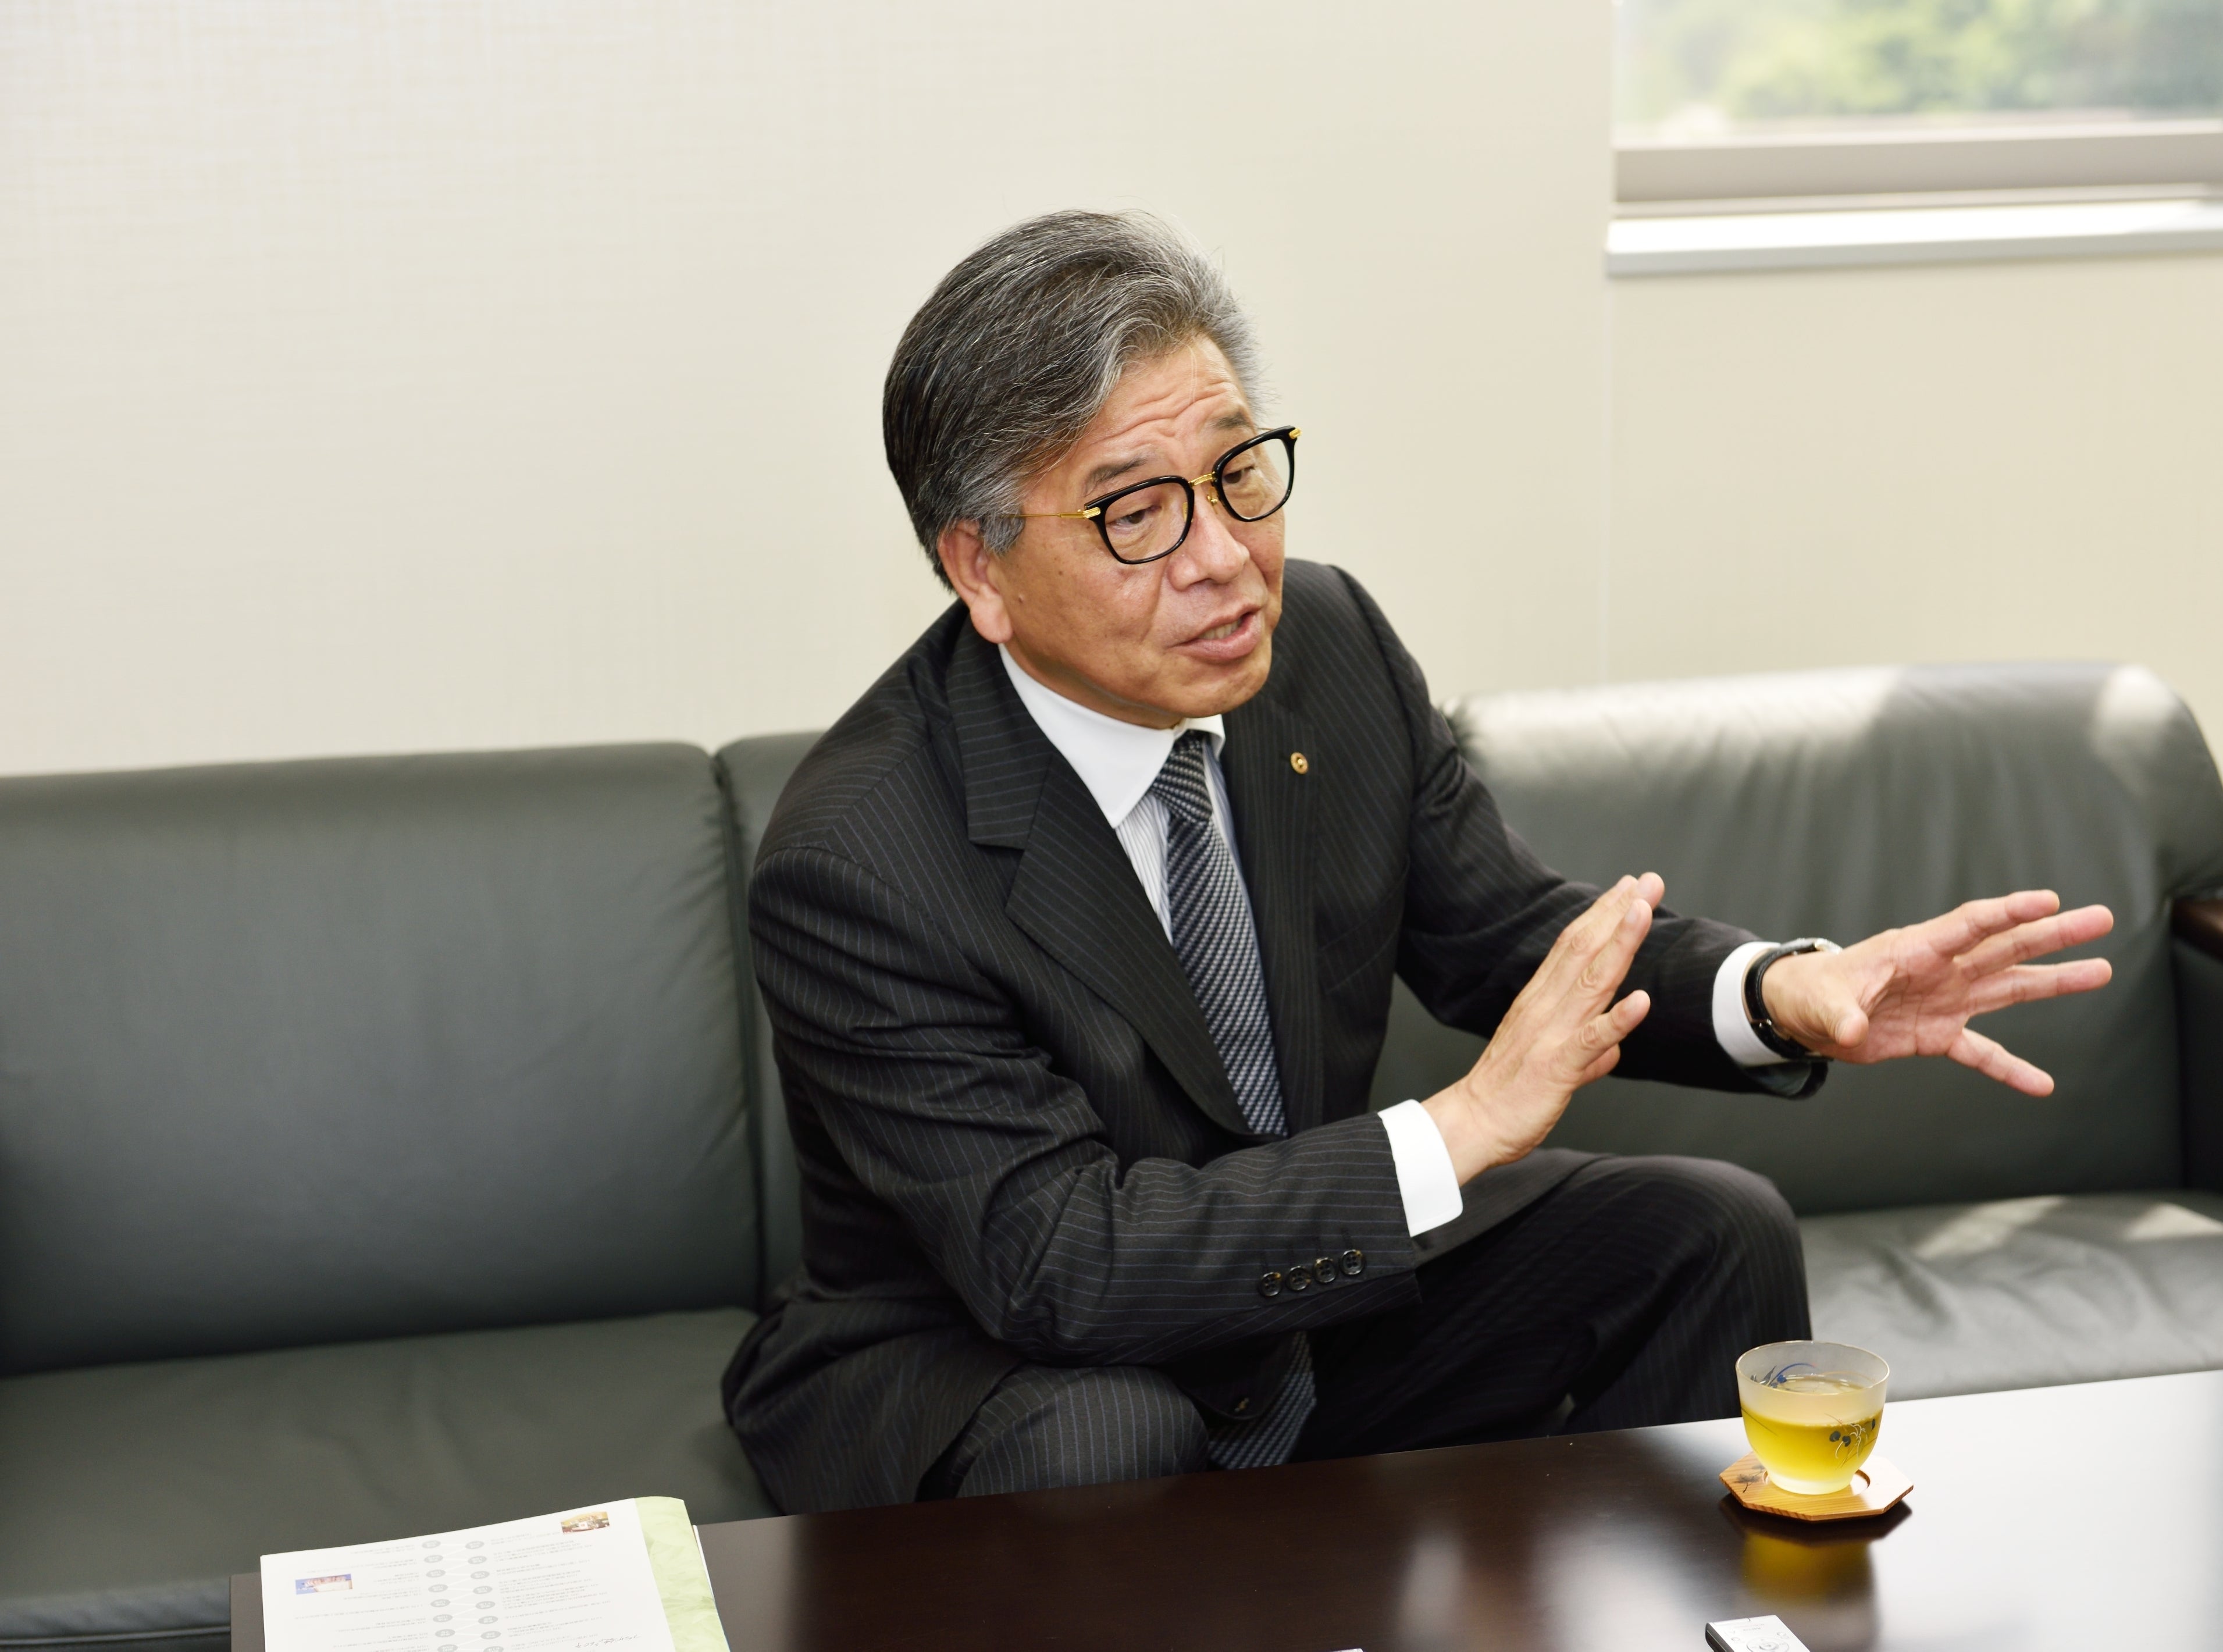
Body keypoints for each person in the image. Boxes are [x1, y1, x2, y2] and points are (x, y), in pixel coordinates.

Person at [721, 210, 2115, 1512]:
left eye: (1236, 474)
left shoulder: (1323, 650)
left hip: (1291, 1300)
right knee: (1110, 1429)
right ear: (980, 567)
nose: (1224, 558)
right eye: (1136, 514)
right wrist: (1465, 1122)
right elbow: (1059, 1265)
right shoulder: (860, 859)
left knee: (1706, 1230)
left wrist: (1780, 991)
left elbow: (1506, 935)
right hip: (992, 1354)